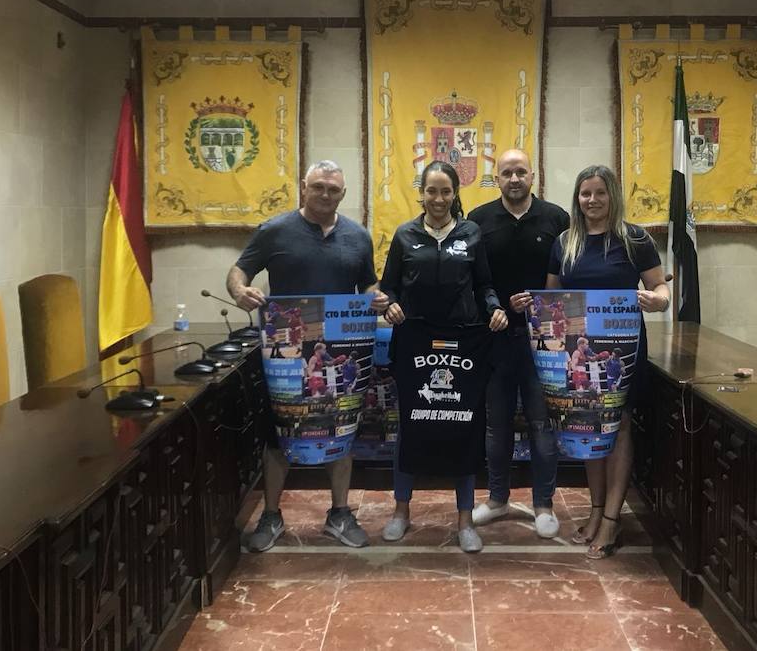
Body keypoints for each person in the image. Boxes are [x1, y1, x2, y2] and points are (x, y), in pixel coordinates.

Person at [226, 160, 389, 552]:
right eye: (318, 187)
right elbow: (239, 271)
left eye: (333, 189)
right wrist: (239, 291)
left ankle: (340, 513)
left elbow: (368, 283)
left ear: (343, 194)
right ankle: (271, 514)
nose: (325, 195)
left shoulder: (358, 236)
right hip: (286, 353)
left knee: (341, 429)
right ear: (303, 186)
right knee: (280, 433)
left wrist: (377, 297)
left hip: (341, 350)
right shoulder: (275, 230)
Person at [513, 164, 670, 559]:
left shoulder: (635, 239)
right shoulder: (565, 241)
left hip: (622, 351)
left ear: (612, 195)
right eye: (586, 193)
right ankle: (596, 509)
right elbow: (552, 297)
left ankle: (612, 519)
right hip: (577, 353)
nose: (593, 200)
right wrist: (528, 304)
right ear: (577, 198)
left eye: (600, 192)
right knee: (588, 425)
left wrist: (658, 300)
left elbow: (660, 286)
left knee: (618, 427)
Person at [380, 160, 508, 553]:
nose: (438, 199)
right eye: (431, 191)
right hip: (414, 340)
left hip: (463, 340)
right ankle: (401, 511)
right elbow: (388, 288)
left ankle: (465, 520)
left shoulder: (471, 233)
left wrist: (495, 308)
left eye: (446, 191)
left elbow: (484, 284)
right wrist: (390, 305)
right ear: (421, 193)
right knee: (410, 424)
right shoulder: (405, 235)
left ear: (455, 194)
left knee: (464, 426)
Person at [466, 149, 569, 538]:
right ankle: (497, 499)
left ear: (533, 176)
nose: (514, 179)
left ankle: (544, 504)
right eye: (507, 172)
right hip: (496, 340)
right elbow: (474, 280)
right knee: (497, 425)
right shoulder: (478, 219)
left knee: (542, 424)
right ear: (497, 178)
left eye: (520, 172)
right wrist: (496, 307)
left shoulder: (557, 218)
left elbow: (568, 276)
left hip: (546, 344)